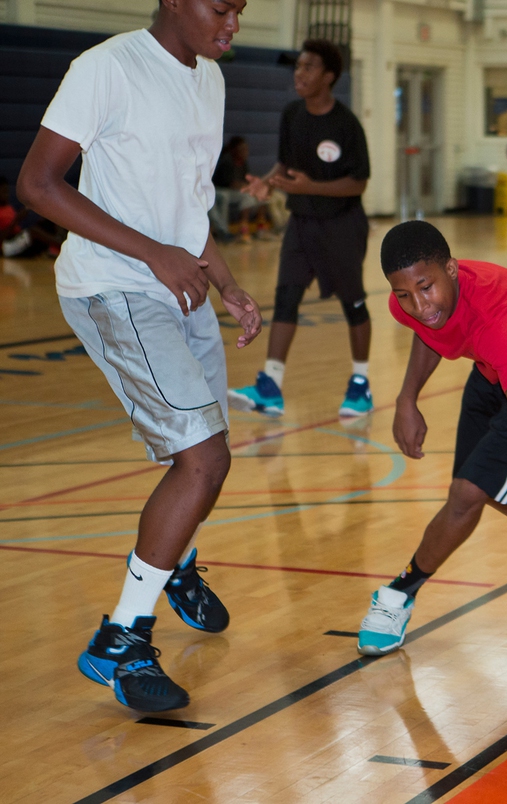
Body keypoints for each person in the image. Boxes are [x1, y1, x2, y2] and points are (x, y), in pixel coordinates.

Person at [16, 0, 261, 712]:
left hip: (177, 287)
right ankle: (120, 637)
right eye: (222, 8)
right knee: (203, 458)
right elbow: (36, 185)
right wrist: (154, 255)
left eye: (241, 10)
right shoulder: (106, 68)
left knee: (197, 459)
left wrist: (226, 280)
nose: (233, 24)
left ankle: (173, 560)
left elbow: (186, 209)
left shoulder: (209, 80)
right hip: (115, 287)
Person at [355, 220, 507, 655]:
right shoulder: (412, 302)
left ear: (451, 269)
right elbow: (429, 332)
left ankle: (399, 593)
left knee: (472, 488)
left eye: (425, 288)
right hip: (492, 368)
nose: (417, 304)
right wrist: (407, 398)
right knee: (478, 488)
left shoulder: (500, 318)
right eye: (403, 294)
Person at [229, 39, 373, 419]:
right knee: (286, 298)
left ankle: (361, 385)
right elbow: (285, 166)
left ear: (328, 77)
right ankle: (271, 386)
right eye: (298, 67)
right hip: (301, 224)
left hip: (342, 225)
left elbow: (358, 183)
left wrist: (313, 187)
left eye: (309, 67)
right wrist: (267, 182)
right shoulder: (292, 114)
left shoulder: (346, 124)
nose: (300, 73)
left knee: (353, 304)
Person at [210, 135, 268, 242]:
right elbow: (232, 184)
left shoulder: (243, 162)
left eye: (246, 149)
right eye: (243, 149)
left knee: (259, 196)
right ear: (235, 150)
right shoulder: (227, 161)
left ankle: (259, 229)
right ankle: (235, 231)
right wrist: (249, 188)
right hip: (221, 190)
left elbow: (245, 180)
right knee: (242, 197)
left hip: (234, 192)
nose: (246, 151)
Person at [2, 176, 65, 258]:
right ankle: (61, 245)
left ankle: (54, 249)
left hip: (20, 240)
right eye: (3, 192)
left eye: (7, 191)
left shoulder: (8, 207)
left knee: (48, 222)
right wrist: (16, 220)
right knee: (32, 231)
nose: (6, 195)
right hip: (7, 246)